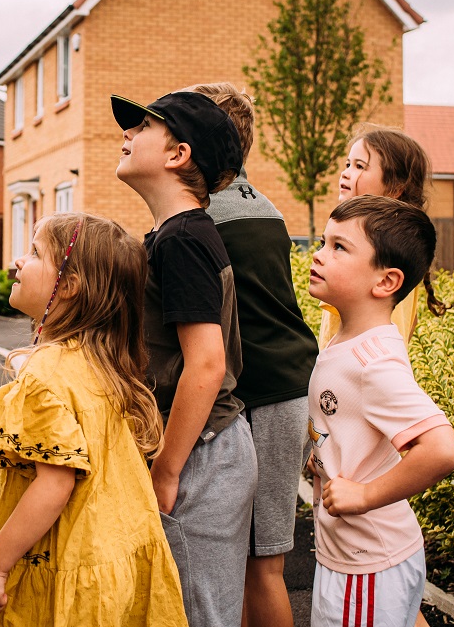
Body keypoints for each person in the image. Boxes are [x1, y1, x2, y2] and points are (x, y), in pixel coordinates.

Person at [0, 212, 186, 627]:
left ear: (70, 286)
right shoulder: (100, 363)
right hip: (111, 550)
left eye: (35, 252)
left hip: (63, 555)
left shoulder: (47, 373)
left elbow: (55, 482)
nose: (19, 261)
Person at [111, 90, 258, 627]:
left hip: (202, 452)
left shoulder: (183, 239)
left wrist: (167, 470)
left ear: (178, 155)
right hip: (196, 445)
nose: (125, 134)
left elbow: (206, 364)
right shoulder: (171, 235)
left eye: (141, 127)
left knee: (200, 613)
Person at [192, 83, 319, 627]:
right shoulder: (261, 205)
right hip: (283, 382)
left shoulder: (210, 217)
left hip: (266, 392)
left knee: (264, 562)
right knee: (251, 561)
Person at [306, 195, 454, 627]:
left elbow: (444, 449)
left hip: (368, 563)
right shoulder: (347, 340)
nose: (319, 254)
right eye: (323, 241)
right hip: (349, 556)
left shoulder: (374, 361)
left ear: (386, 281)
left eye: (339, 247)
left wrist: (366, 495)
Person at [321, 126, 446, 346]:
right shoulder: (386, 244)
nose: (346, 172)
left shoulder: (383, 250)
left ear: (396, 188)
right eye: (348, 164)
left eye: (360, 166)